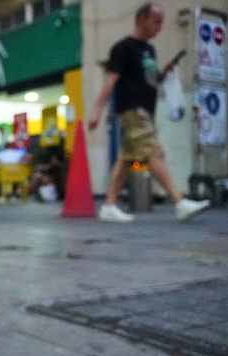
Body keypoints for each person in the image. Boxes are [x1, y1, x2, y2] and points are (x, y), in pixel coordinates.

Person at [88, 2, 209, 222]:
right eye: (156, 22)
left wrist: (164, 74)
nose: (160, 27)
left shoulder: (149, 50)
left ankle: (109, 205)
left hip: (146, 111)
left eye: (162, 22)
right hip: (132, 110)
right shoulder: (123, 48)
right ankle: (179, 202)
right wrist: (97, 110)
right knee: (155, 153)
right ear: (141, 20)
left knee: (126, 159)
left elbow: (150, 80)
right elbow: (110, 80)